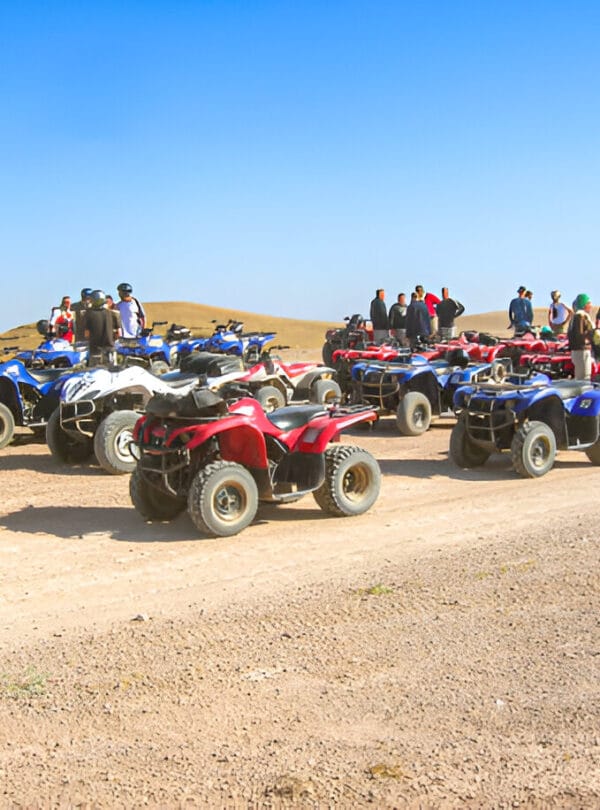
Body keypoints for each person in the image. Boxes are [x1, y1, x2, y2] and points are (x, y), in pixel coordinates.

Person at [84, 290, 116, 366]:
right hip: (109, 348)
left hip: (95, 348)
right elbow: (116, 332)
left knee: (94, 372)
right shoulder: (110, 313)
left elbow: (86, 334)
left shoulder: (89, 313)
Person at [568, 293, 595, 380]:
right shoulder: (580, 316)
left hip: (579, 351)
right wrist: (591, 338)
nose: (591, 305)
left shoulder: (577, 316)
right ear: (584, 304)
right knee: (584, 378)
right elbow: (579, 334)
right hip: (581, 351)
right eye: (589, 303)